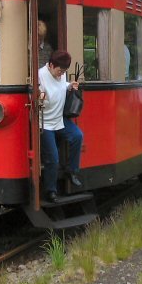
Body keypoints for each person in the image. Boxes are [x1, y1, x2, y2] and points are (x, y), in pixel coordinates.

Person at [38, 50, 83, 201]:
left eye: (63, 71)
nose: (61, 74)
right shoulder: (40, 76)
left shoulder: (61, 73)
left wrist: (69, 86)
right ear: (51, 65)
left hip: (59, 119)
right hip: (44, 123)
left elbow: (61, 85)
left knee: (77, 136)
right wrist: (40, 98)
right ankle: (50, 190)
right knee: (53, 158)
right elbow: (38, 99)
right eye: (59, 71)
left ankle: (72, 170)